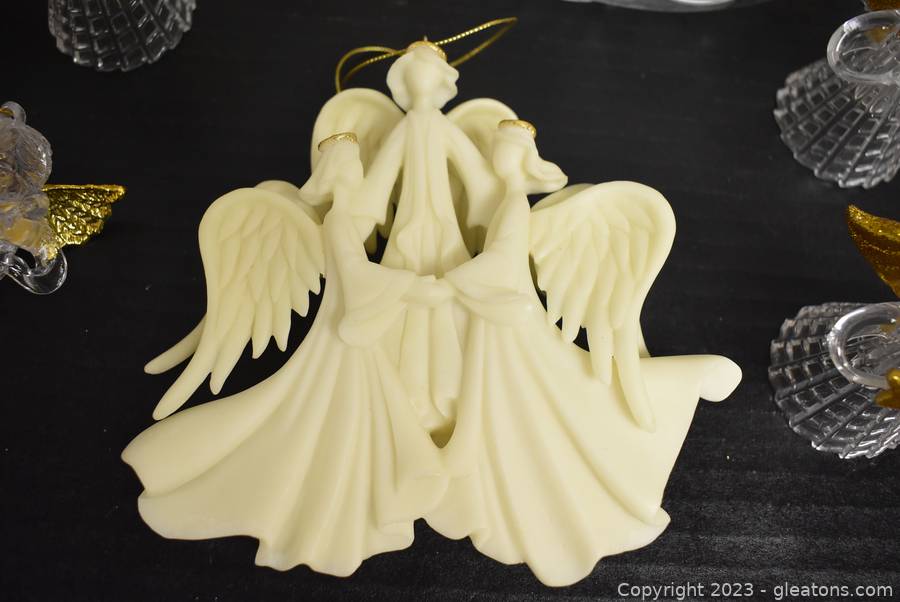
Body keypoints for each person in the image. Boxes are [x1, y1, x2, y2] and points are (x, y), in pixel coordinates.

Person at [122, 134, 448, 576]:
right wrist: (413, 287)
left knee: (355, 423)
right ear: (337, 173)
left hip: (354, 336)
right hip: (344, 337)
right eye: (350, 164)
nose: (357, 171)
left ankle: (364, 509)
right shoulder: (337, 221)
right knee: (342, 424)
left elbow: (368, 238)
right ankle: (336, 517)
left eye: (356, 164)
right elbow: (356, 279)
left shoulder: (348, 217)